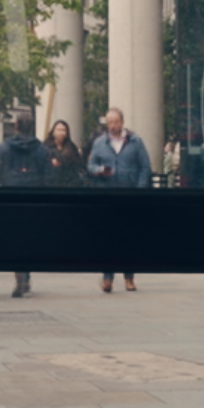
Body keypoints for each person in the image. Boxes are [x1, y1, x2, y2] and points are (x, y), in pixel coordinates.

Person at [85, 105, 152, 292]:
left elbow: (145, 167)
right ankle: (107, 277)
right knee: (108, 237)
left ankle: (129, 277)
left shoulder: (135, 141)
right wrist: (100, 171)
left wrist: (139, 190)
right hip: (108, 195)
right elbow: (90, 167)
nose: (112, 126)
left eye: (115, 122)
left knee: (128, 237)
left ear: (122, 122)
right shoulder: (99, 143)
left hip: (129, 194)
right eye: (109, 123)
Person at [0, 111, 53, 295]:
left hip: (11, 198)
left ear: (16, 126)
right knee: (28, 238)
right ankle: (25, 274)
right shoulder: (42, 150)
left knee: (14, 238)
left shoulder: (5, 148)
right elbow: (49, 177)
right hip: (33, 199)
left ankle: (21, 276)